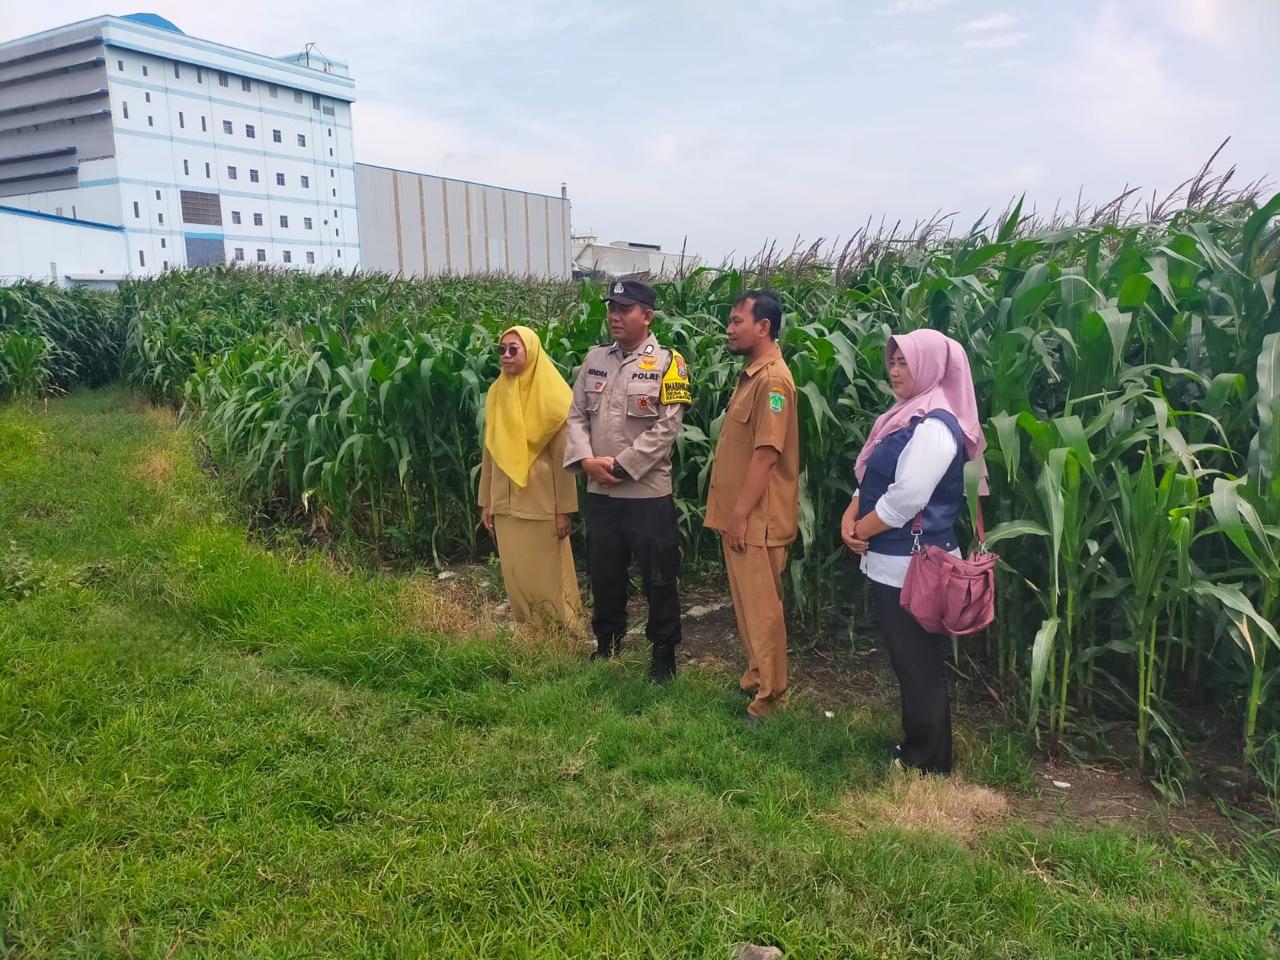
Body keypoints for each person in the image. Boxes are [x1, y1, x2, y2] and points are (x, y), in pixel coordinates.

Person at [841, 329, 987, 775]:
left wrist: (860, 529)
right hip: (894, 564)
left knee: (918, 663)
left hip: (915, 569)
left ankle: (928, 761)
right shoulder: (905, 417)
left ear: (930, 367)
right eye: (892, 360)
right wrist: (850, 516)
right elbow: (874, 478)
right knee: (909, 661)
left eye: (905, 362)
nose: (895, 370)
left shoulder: (936, 427)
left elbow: (906, 498)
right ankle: (919, 747)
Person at [563, 278, 692, 683]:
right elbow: (576, 415)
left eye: (625, 310)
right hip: (600, 490)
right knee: (604, 570)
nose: (615, 317)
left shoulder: (670, 363)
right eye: (612, 309)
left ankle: (663, 654)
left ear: (647, 316)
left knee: (658, 576)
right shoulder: (594, 359)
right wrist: (586, 460)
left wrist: (619, 466)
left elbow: (667, 427)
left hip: (646, 493)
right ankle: (608, 643)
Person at [705, 290, 799, 725]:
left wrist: (740, 515)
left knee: (763, 612)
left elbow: (766, 454)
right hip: (740, 517)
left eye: (737, 320)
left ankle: (770, 698)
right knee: (746, 606)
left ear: (763, 327)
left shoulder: (773, 381)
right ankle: (756, 676)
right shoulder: (752, 376)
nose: (730, 328)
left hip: (756, 520)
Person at [478, 325, 584, 633]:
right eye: (502, 350)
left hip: (541, 503)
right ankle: (531, 630)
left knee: (548, 573)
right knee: (515, 572)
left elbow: (565, 460)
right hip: (504, 501)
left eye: (514, 349)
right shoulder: (497, 392)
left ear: (532, 352)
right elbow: (490, 452)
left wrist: (563, 510)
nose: (506, 355)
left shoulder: (552, 397)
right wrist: (487, 502)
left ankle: (565, 633)